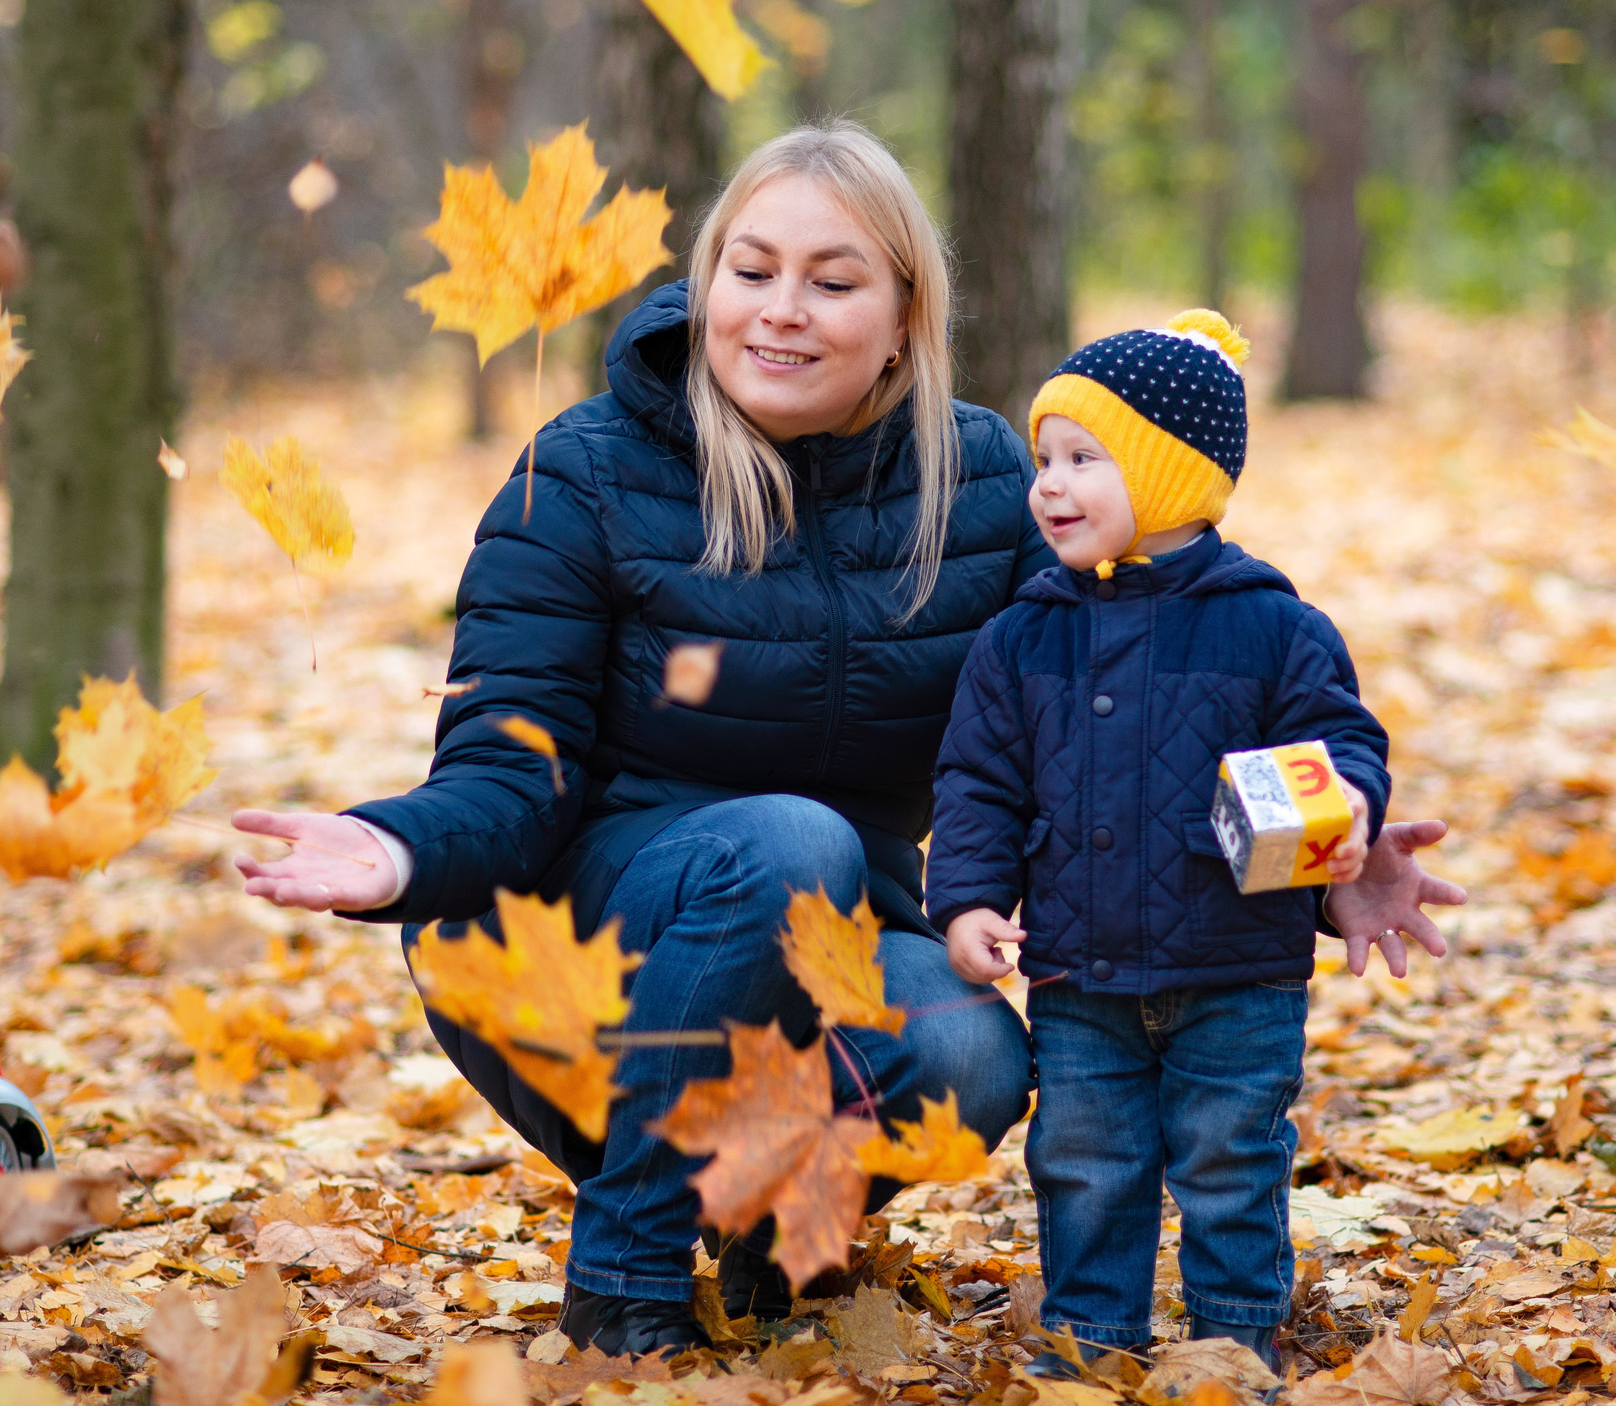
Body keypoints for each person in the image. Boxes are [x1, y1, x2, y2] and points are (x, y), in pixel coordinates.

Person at [233, 128, 1462, 1358]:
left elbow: (1135, 712)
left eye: (831, 281)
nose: (781, 312)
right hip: (579, 923)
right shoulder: (585, 472)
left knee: (974, 1048)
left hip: (839, 923)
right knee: (786, 841)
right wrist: (396, 851)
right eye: (750, 270)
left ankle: (770, 1229)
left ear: (902, 314)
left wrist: (1320, 851)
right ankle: (627, 1265)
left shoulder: (985, 483)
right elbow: (511, 765)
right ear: (706, 282)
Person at [929, 309, 1463, 1373]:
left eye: (1084, 457)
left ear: (1171, 477)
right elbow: (978, 781)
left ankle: (1232, 1336)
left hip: (1240, 971)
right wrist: (969, 899)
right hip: (1079, 970)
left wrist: (1348, 809)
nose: (1048, 483)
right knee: (1084, 1158)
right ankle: (1092, 1339)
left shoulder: (1272, 625)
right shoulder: (1022, 634)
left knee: (1231, 1154)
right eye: (1044, 457)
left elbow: (1336, 738)